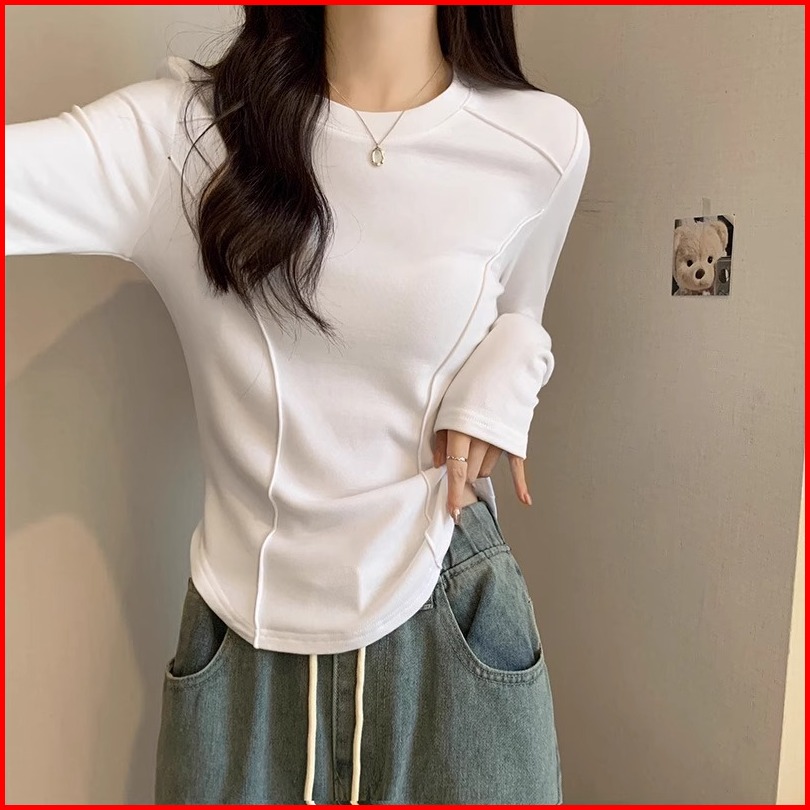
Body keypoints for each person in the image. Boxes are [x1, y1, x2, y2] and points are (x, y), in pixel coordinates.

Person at [6, 5, 589, 805]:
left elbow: (522, 306)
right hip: (242, 644)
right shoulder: (181, 138)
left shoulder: (543, 142)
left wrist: (513, 365)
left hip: (452, 616)